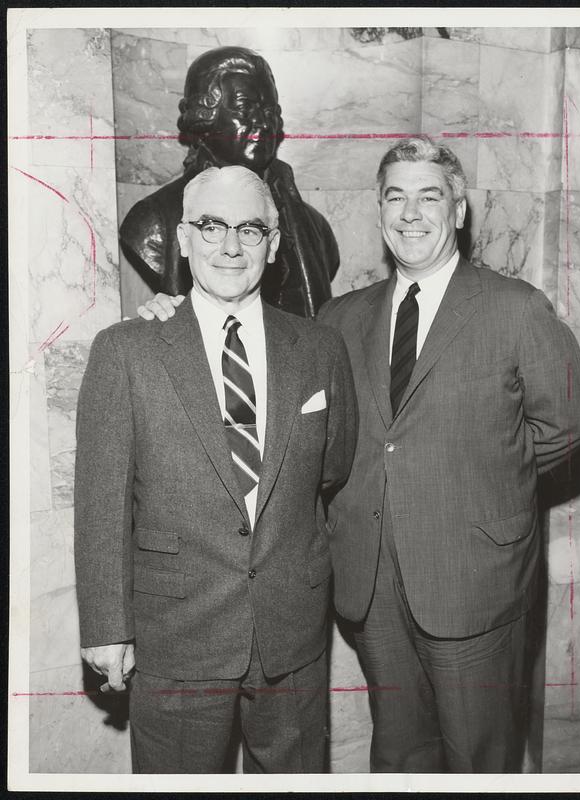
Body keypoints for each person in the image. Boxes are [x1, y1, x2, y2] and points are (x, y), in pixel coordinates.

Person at [137, 138, 580, 773]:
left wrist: (486, 490)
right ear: (380, 213)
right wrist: (175, 317)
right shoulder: (341, 319)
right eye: (395, 197)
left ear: (458, 211)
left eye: (429, 196)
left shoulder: (516, 308)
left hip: (474, 582)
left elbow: (569, 428)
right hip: (372, 585)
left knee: (479, 759)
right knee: (399, 753)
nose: (411, 213)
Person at [74, 165, 357, 774]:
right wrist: (105, 627)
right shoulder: (126, 351)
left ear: (274, 245)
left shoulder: (319, 350)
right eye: (211, 226)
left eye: (251, 229)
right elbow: (101, 502)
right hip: (176, 632)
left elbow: (331, 470)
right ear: (182, 238)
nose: (231, 246)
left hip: (292, 633)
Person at [119, 45, 339, 318]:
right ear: (204, 118)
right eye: (244, 109)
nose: (262, 123)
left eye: (269, 111)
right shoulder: (152, 221)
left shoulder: (315, 227)